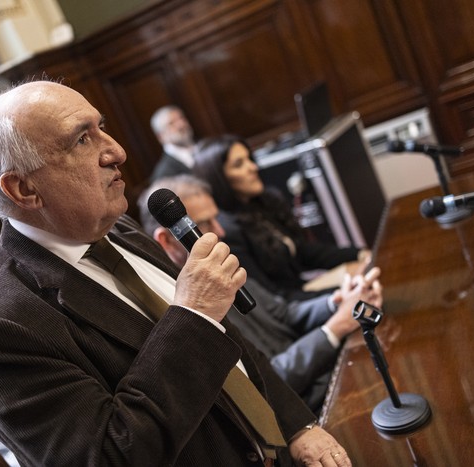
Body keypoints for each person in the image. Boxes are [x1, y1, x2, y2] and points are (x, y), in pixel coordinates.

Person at [0, 80, 353, 467]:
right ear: (23, 190)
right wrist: (193, 315)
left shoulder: (119, 227)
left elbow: (229, 340)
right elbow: (108, 455)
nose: (117, 152)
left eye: (101, 128)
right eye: (82, 140)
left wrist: (296, 424)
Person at [138, 174, 383, 413]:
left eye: (217, 219)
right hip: (300, 409)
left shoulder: (218, 265)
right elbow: (265, 381)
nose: (220, 232)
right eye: (203, 224)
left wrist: (337, 301)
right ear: (167, 241)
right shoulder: (182, 312)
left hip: (322, 377)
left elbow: (284, 312)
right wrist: (336, 326)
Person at [192, 134, 371, 301]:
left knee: (368, 270)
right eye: (239, 164)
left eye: (249, 159)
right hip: (292, 305)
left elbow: (305, 252)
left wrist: (359, 253)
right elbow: (274, 298)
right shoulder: (227, 232)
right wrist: (338, 293)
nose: (253, 167)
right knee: (365, 285)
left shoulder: (265, 202)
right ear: (220, 179)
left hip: (303, 291)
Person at [149, 105, 197, 181]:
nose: (181, 125)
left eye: (182, 118)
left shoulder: (209, 147)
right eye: (171, 123)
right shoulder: (164, 175)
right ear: (161, 136)